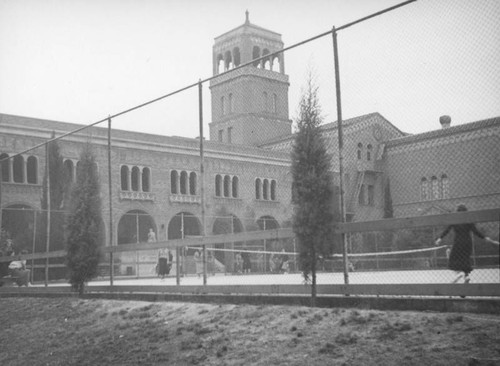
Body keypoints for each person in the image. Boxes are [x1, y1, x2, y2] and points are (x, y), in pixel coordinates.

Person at [435, 204, 499, 283]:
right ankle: (466, 277)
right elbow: (475, 231)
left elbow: (447, 230)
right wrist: (485, 237)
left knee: (452, 259)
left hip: (458, 242)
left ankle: (460, 273)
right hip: (467, 243)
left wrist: (440, 238)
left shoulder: (455, 220)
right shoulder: (468, 220)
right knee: (465, 260)